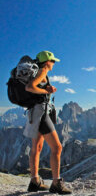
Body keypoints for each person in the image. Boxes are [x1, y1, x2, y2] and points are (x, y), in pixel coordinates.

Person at [23, 51, 72, 194]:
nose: (54, 64)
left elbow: (33, 88)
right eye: (53, 61)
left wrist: (46, 89)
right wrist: (46, 92)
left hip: (34, 112)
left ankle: (34, 182)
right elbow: (30, 87)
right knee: (57, 147)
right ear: (46, 62)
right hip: (41, 113)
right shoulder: (42, 71)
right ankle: (56, 183)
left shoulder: (38, 71)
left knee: (36, 148)